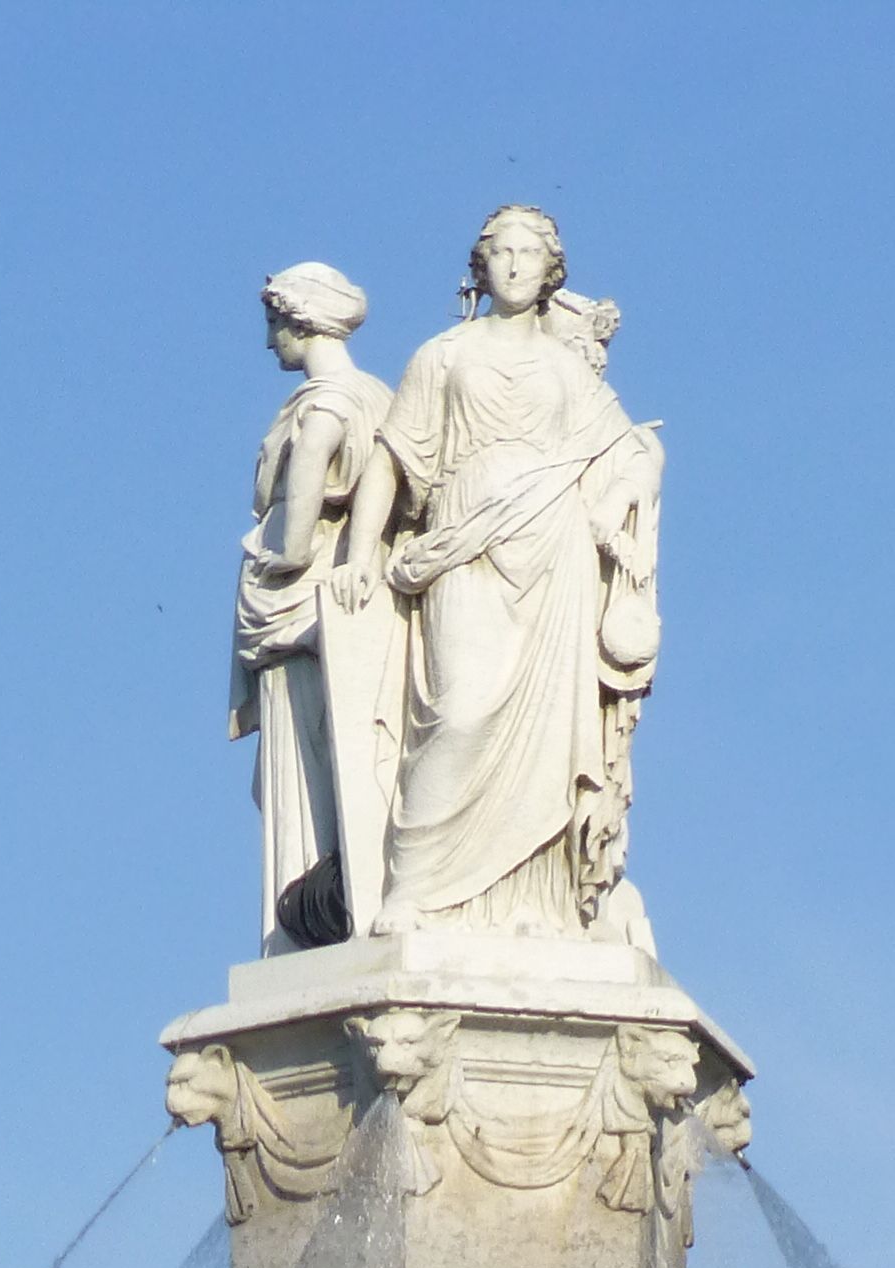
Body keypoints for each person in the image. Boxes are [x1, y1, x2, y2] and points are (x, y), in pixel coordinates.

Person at [332, 206, 662, 938]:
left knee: (548, 731)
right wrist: (360, 555)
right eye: (502, 253)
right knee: (461, 710)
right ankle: (415, 886)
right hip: (464, 539)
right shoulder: (442, 355)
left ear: (552, 272)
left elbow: (626, 449)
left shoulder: (566, 369)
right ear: (482, 267)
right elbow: (393, 457)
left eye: (529, 254)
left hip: (555, 550)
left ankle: (530, 902)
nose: (515, 266)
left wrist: (630, 502)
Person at [231, 262, 398, 951]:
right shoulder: (382, 396)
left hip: (304, 602)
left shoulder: (324, 403)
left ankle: (323, 897)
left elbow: (308, 476)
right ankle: (340, 884)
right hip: (351, 601)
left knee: (308, 760)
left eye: (275, 324)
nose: (271, 341)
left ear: (302, 322)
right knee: (352, 743)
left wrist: (287, 552)